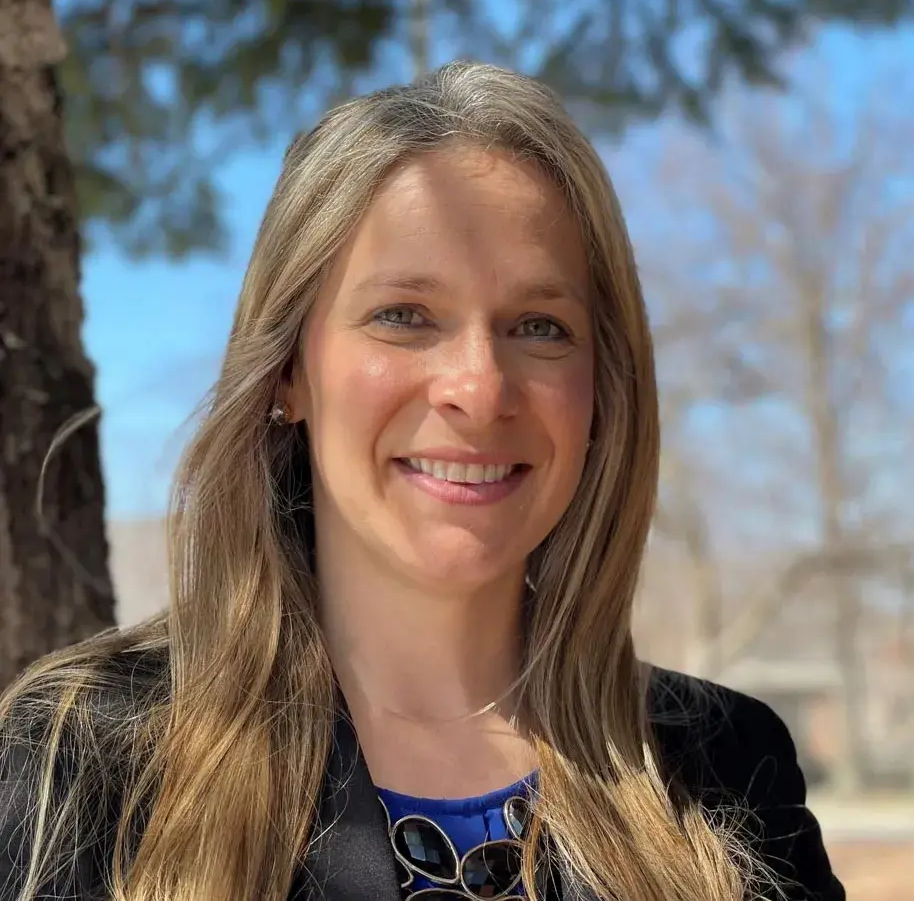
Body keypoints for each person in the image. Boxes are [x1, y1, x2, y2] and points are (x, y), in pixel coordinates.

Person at [0, 61, 844, 901]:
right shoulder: (84, 758)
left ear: (602, 394)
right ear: (288, 371)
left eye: (540, 326)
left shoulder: (726, 770)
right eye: (404, 316)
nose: (478, 389)